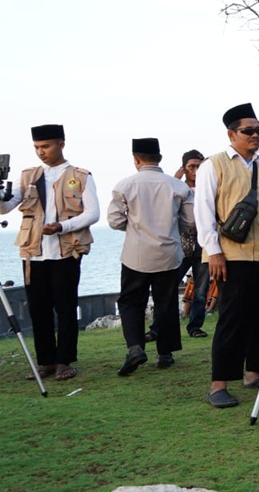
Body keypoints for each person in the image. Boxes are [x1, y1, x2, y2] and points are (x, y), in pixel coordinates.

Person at [195, 103, 259, 408]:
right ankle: (219, 383)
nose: (256, 136)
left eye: (258, 130)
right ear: (231, 134)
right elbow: (204, 212)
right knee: (232, 318)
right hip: (230, 255)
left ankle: (253, 373)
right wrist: (214, 252)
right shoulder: (214, 164)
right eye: (248, 131)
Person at [0, 124, 100, 381]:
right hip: (34, 253)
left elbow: (92, 213)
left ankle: (64, 361)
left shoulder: (81, 175)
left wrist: (62, 226)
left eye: (45, 146)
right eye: (36, 147)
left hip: (66, 252)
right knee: (38, 309)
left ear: (61, 144)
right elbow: (6, 208)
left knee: (66, 308)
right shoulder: (28, 176)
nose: (40, 152)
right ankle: (44, 362)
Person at [108, 138, 195, 373]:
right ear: (160, 158)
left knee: (130, 302)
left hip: (136, 254)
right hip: (168, 253)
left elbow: (114, 220)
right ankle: (165, 353)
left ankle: (135, 348)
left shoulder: (125, 185)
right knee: (165, 303)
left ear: (136, 159)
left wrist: (135, 227)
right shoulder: (177, 187)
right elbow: (190, 221)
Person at [175, 149, 210, 338]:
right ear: (184, 168)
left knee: (201, 290)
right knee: (168, 287)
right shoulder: (177, 189)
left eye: (199, 166)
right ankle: (159, 327)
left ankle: (195, 326)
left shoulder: (209, 187)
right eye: (191, 167)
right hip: (181, 247)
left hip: (204, 247)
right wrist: (175, 179)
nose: (195, 171)